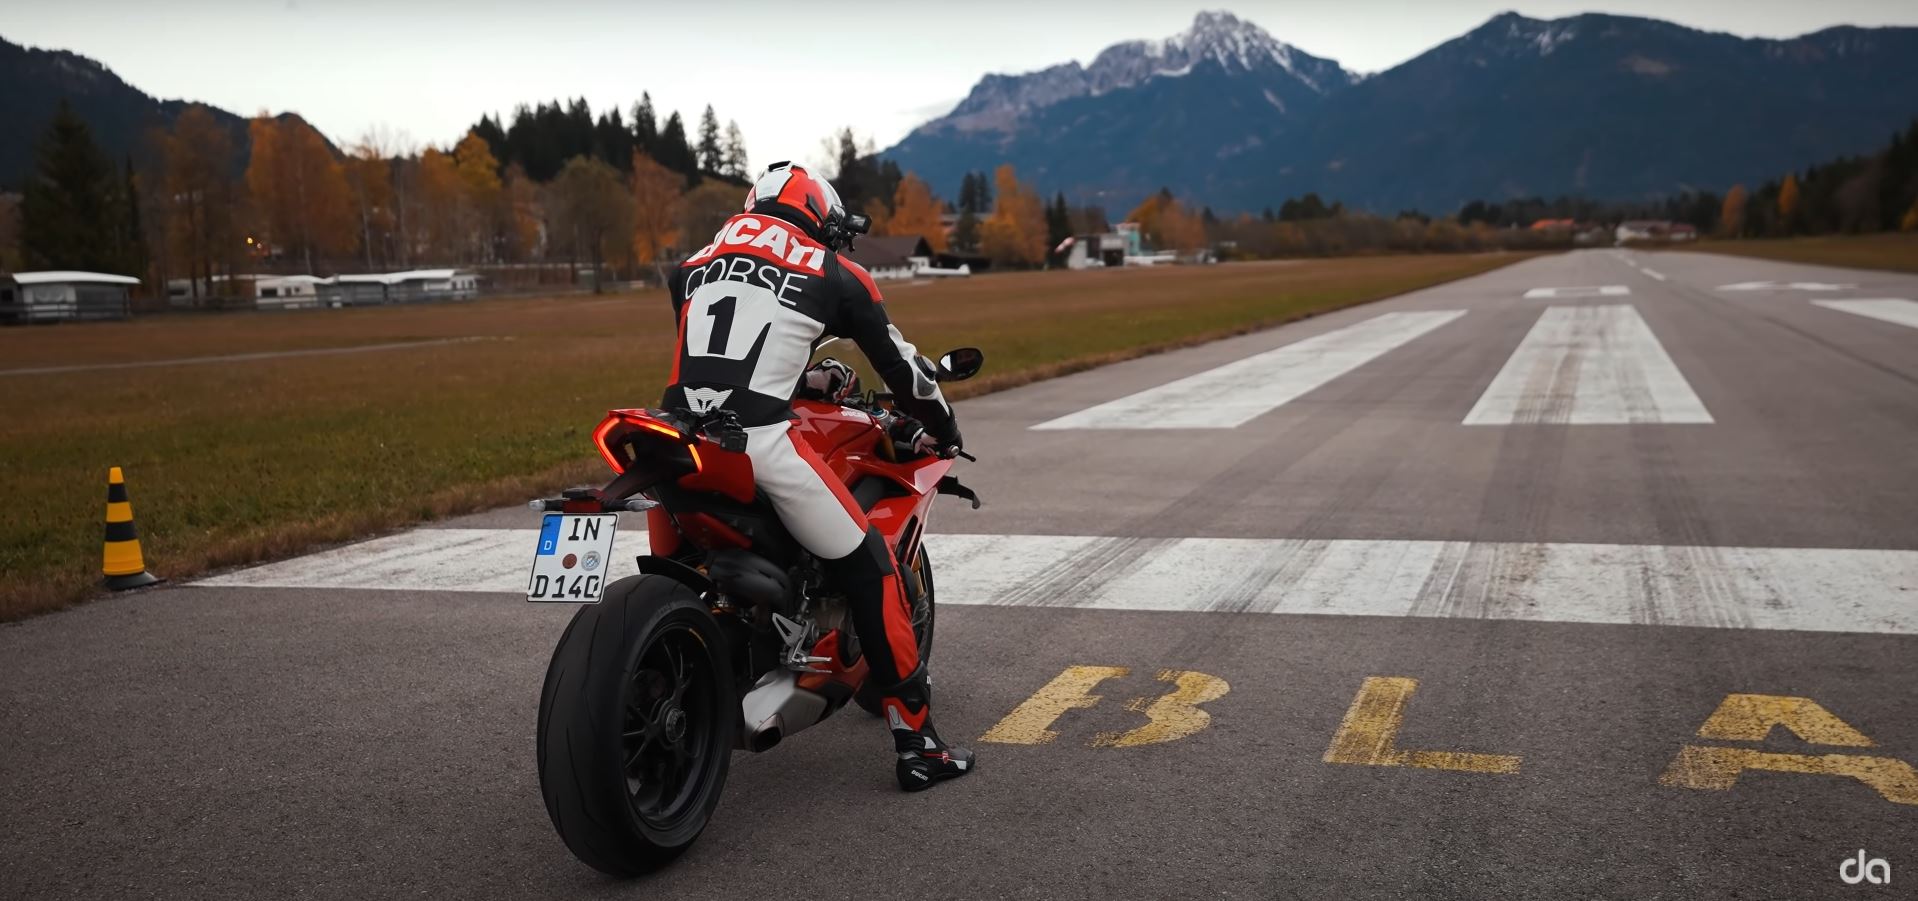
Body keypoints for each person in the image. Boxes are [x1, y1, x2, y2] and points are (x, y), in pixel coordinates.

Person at [662, 161, 974, 791]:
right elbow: (907, 375)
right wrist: (945, 427)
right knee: (870, 564)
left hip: (672, 436)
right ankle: (918, 744)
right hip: (753, 442)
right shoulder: (834, 271)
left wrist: (801, 377)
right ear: (820, 218)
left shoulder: (692, 264)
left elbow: (728, 351)